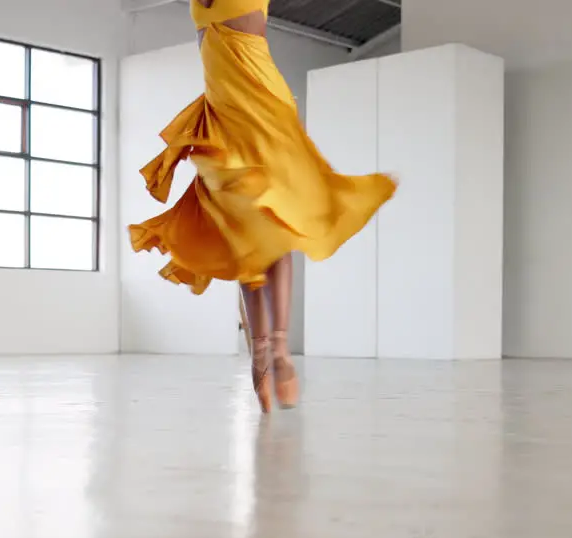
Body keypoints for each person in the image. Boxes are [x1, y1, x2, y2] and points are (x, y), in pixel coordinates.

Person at [129, 0, 397, 413]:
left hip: (252, 110)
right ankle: (268, 350)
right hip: (236, 111)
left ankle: (273, 350)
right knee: (252, 240)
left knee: (266, 234)